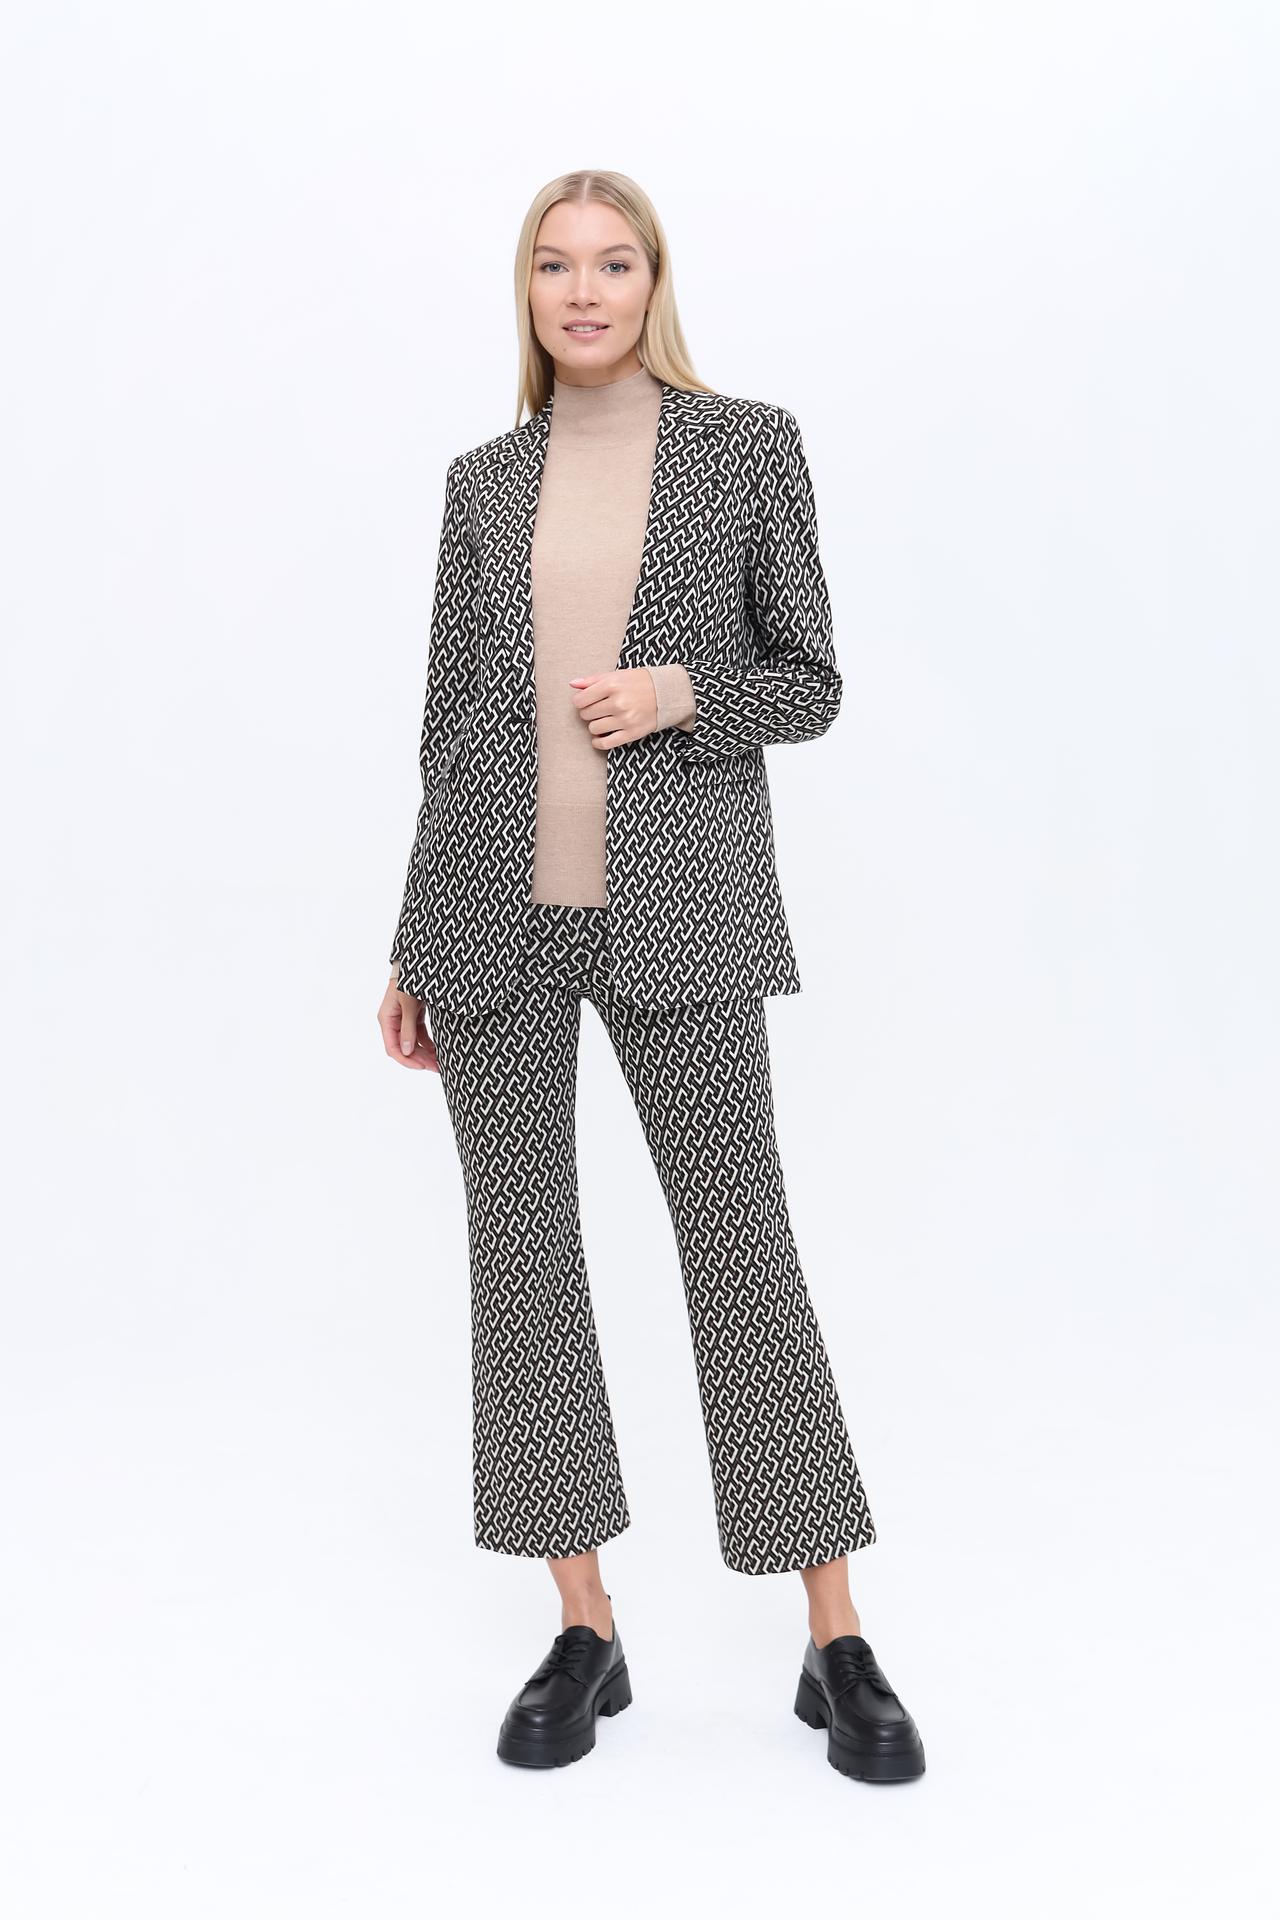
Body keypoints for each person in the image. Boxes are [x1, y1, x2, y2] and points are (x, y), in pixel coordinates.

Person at [378, 170, 925, 1784]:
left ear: (653, 281)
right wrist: (410, 934)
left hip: (682, 910)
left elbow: (811, 682)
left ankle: (836, 1635)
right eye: (556, 265)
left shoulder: (746, 446)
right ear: (529, 291)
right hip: (491, 918)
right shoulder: (484, 482)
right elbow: (447, 722)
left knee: (741, 1248)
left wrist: (685, 690)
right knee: (522, 1259)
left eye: (613, 264)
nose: (584, 290)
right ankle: (584, 1622)